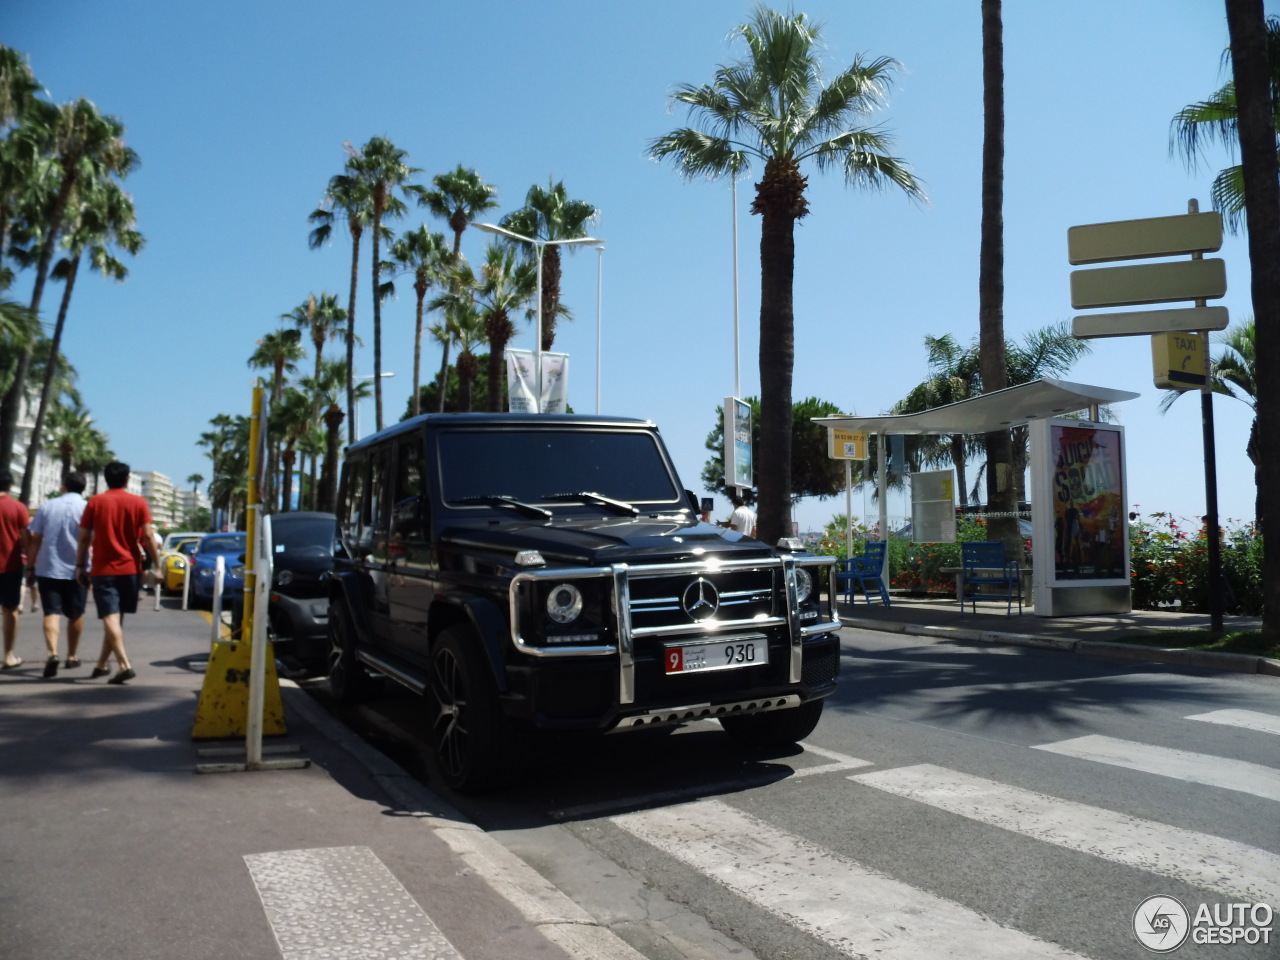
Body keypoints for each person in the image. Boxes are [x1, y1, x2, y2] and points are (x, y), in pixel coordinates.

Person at [75, 462, 159, 685]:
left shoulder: (95, 502)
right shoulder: (138, 502)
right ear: (127, 479)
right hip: (131, 568)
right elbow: (149, 536)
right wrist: (157, 565)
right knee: (116, 617)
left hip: (103, 569)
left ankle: (123, 665)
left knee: (111, 617)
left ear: (105, 478)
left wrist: (80, 565)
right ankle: (102, 664)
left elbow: (83, 537)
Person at [26, 471, 89, 678]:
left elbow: (35, 538)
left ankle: (52, 653)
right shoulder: (87, 508)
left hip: (48, 567)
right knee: (76, 614)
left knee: (51, 612)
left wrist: (30, 566)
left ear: (63, 485)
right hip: (78, 569)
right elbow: (92, 539)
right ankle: (72, 655)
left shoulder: (47, 506)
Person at [0, 469, 30, 670]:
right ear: (10, 486)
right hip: (10, 565)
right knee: (10, 610)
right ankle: (9, 655)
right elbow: (26, 538)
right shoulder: (18, 507)